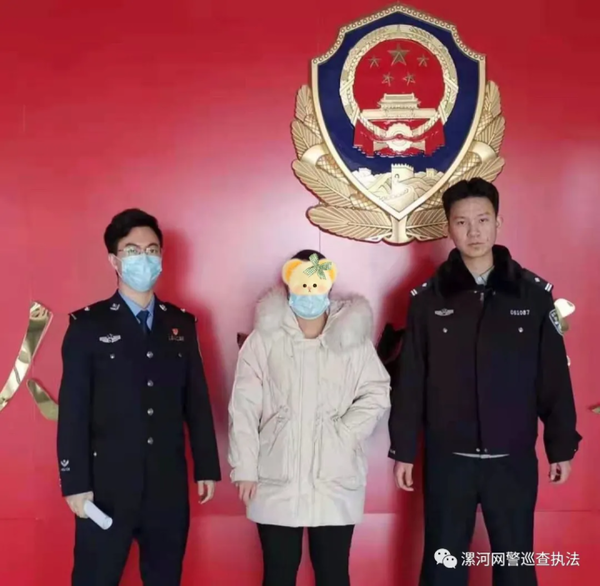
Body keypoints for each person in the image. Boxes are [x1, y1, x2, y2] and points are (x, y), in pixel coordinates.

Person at [388, 178, 582, 586]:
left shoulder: (532, 296)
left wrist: (561, 445)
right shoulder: (429, 299)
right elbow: (411, 380)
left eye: (482, 219)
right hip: (448, 460)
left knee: (515, 566)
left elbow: (553, 376)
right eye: (462, 222)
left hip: (511, 460)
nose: (473, 231)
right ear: (448, 227)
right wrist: (402, 448)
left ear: (498, 223)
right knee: (443, 567)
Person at [56, 208, 221, 586]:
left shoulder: (180, 324)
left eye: (151, 250)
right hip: (106, 485)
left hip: (166, 484)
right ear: (114, 260)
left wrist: (206, 466)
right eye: (132, 250)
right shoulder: (88, 325)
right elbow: (74, 411)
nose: (143, 258)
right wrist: (74, 482)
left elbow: (196, 400)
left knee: (165, 577)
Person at [227, 250, 391, 586]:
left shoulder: (351, 339)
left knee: (333, 574)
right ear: (289, 284)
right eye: (302, 283)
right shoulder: (265, 338)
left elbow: (377, 391)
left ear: (328, 285)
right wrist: (244, 468)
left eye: (317, 283)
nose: (309, 292)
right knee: (278, 574)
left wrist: (344, 432)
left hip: (335, 478)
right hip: (275, 477)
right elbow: (243, 406)